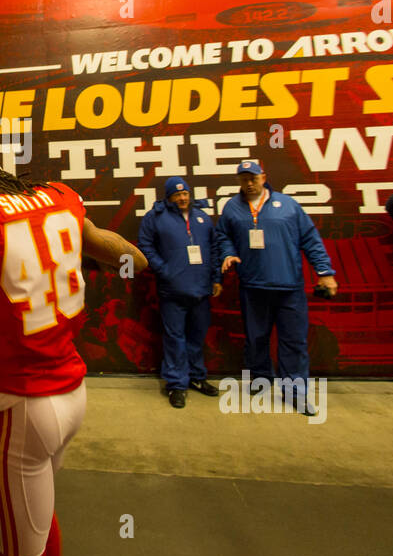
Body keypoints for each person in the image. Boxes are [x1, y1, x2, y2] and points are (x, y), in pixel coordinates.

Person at [0, 151, 146, 556]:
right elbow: (124, 256)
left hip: (20, 405)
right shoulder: (57, 198)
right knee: (36, 519)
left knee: (17, 553)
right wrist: (135, 263)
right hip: (72, 393)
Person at [215, 159, 337, 414]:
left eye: (253, 178)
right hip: (252, 286)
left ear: (263, 177)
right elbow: (223, 236)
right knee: (255, 339)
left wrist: (325, 272)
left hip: (288, 287)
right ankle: (260, 380)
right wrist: (228, 252)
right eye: (244, 179)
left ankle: (297, 393)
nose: (249, 183)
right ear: (239, 181)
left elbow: (310, 239)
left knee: (293, 342)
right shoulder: (231, 208)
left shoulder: (288, 205)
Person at [137, 176, 222, 408]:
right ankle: (176, 384)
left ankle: (196, 378)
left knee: (196, 337)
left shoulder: (202, 217)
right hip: (173, 291)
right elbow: (145, 245)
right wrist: (165, 270)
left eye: (185, 193)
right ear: (169, 197)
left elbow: (214, 249)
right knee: (175, 339)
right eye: (177, 195)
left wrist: (215, 278)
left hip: (201, 290)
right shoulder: (156, 218)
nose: (183, 198)